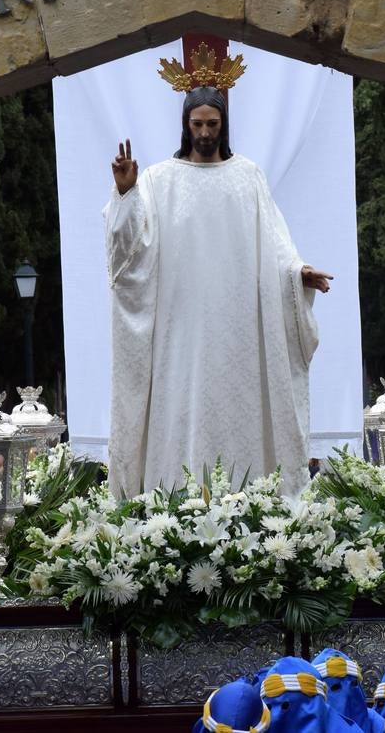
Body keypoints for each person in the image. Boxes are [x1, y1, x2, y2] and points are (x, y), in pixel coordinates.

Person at [104, 55, 332, 497]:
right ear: (185, 125)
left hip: (238, 335)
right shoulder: (157, 180)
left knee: (239, 415)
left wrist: (297, 274)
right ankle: (172, 511)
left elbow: (275, 246)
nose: (205, 132)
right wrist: (126, 194)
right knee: (180, 414)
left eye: (212, 124)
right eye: (197, 124)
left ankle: (251, 507)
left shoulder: (247, 177)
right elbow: (129, 258)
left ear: (223, 125)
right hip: (179, 335)